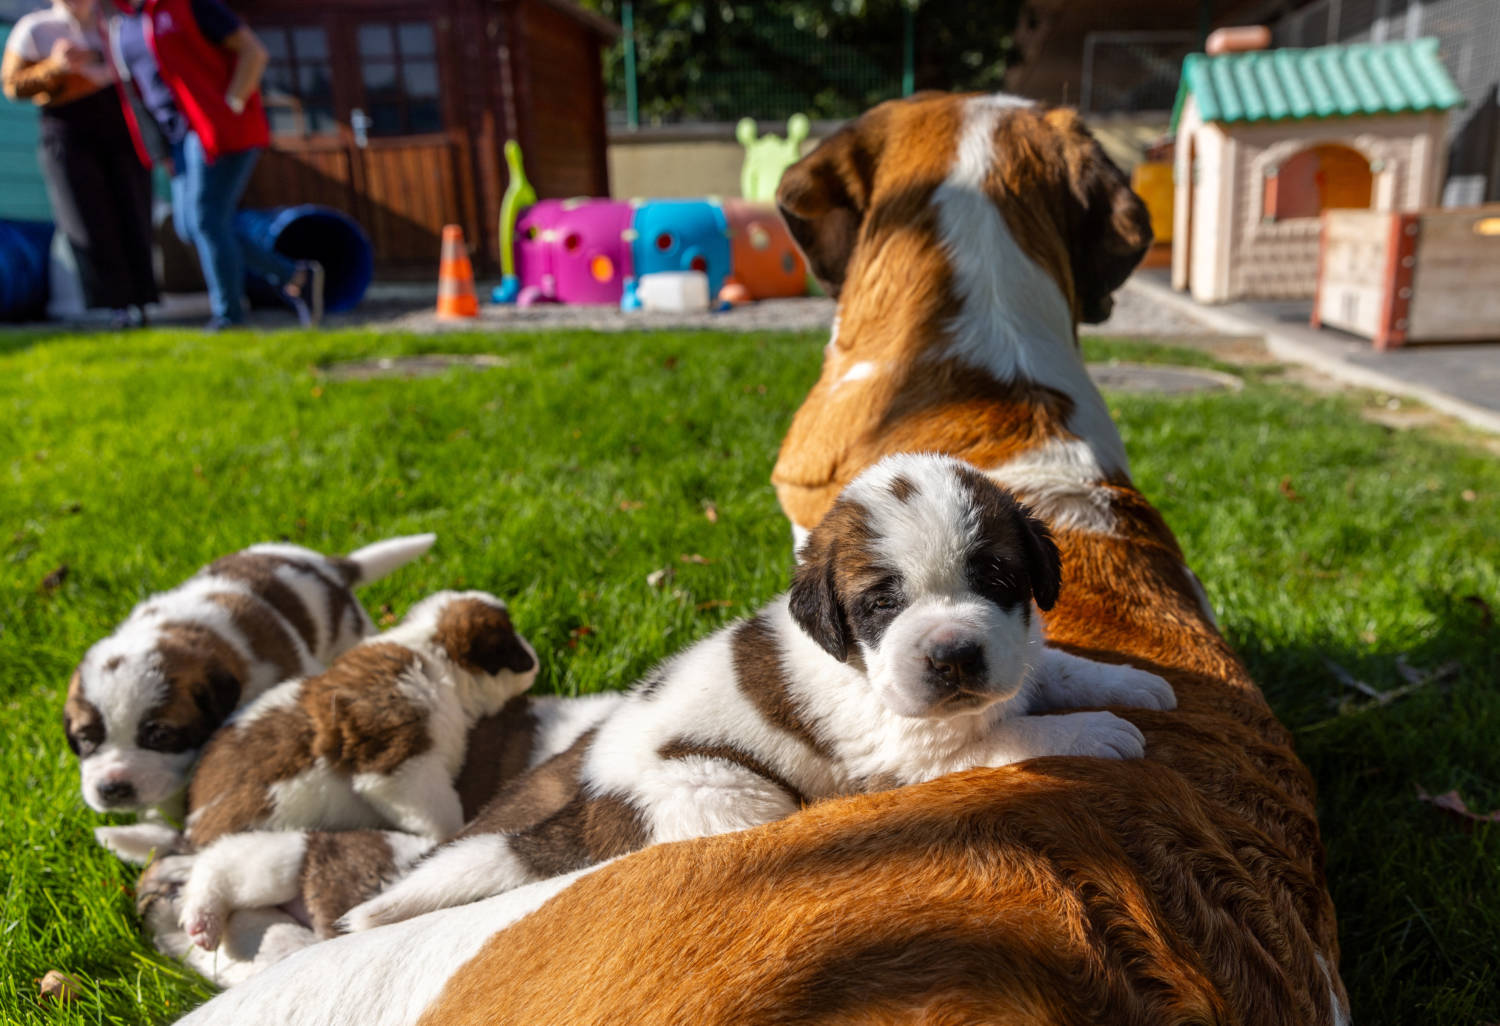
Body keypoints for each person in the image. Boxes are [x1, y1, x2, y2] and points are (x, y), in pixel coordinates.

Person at [103, 0, 322, 329]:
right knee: (190, 227)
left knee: (207, 219)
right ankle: (295, 275)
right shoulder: (122, 25)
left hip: (213, 129)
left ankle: (229, 316)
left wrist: (230, 105)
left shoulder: (188, 5)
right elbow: (136, 90)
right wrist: (157, 148)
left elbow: (254, 52)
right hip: (175, 139)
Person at [3, 0, 159, 329]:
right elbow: (13, 85)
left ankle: (141, 302)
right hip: (67, 127)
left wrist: (99, 58)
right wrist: (55, 66)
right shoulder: (36, 27)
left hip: (119, 123)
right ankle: (115, 305)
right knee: (89, 218)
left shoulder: (115, 23)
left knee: (132, 210)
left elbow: (145, 63)